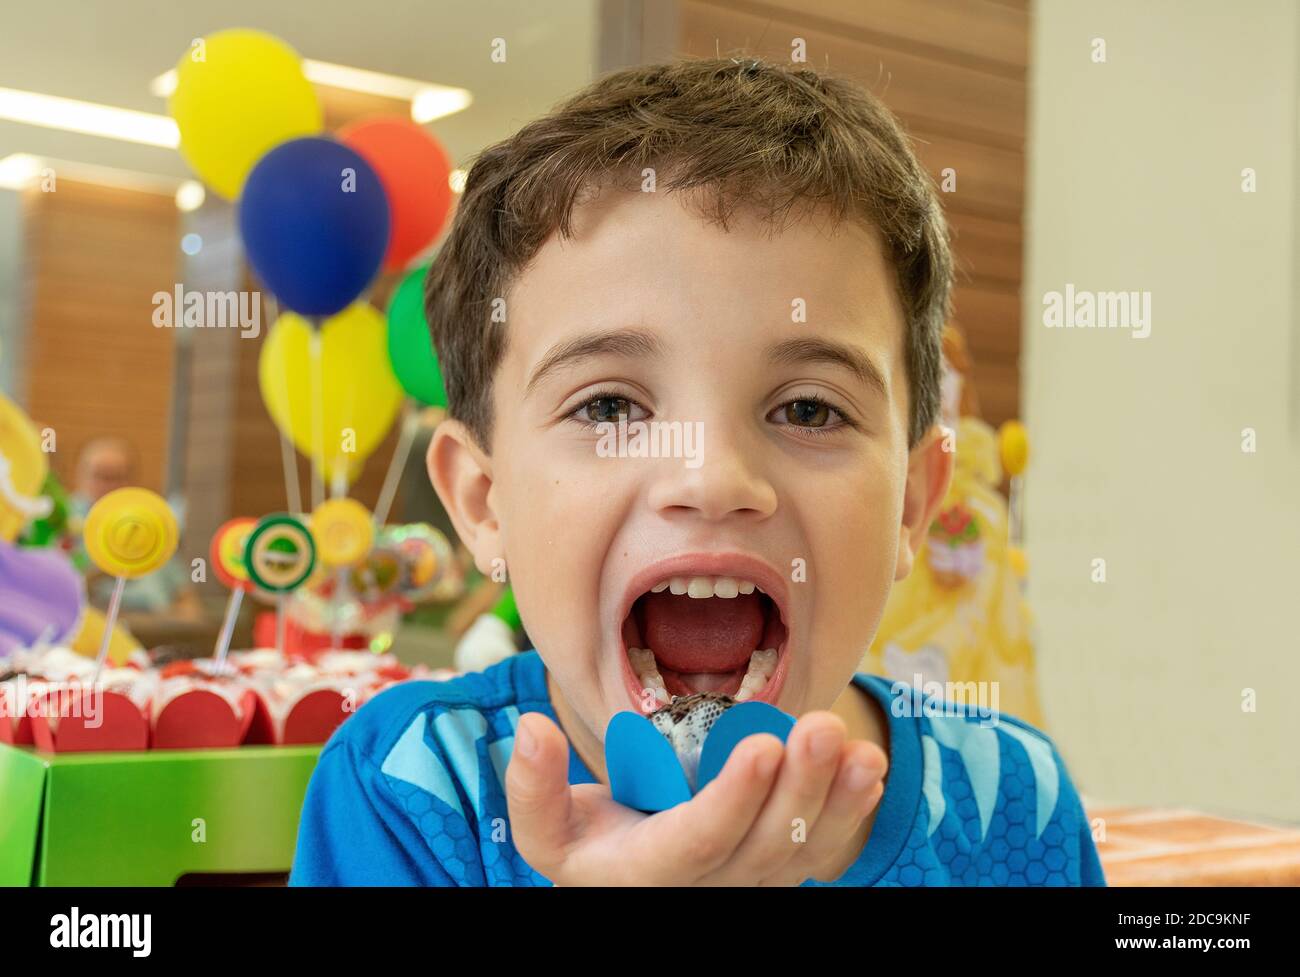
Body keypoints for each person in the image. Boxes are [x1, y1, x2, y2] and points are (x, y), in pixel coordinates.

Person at [291, 58, 1104, 886]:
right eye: (609, 407)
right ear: (482, 501)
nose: (712, 477)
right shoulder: (412, 790)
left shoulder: (1013, 800)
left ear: (911, 501)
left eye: (809, 409)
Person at [69, 437, 202, 624]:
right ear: (80, 477)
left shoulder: (152, 526)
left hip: (150, 630)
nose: (107, 486)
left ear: (132, 481)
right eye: (99, 476)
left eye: (116, 477)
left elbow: (186, 599)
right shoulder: (62, 525)